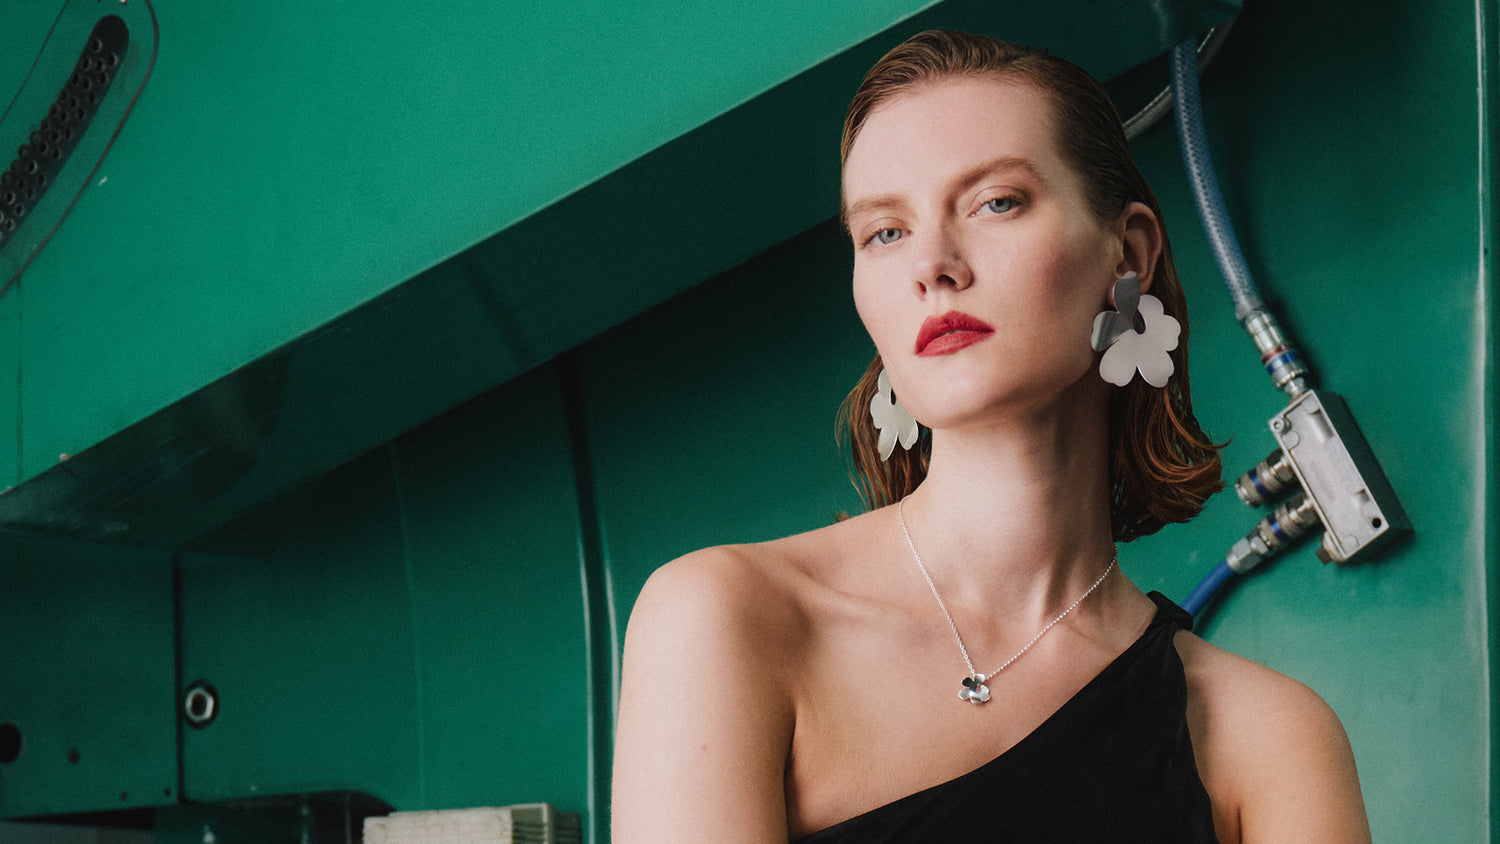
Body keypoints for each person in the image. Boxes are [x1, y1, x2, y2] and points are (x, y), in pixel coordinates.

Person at [611, 29, 1369, 843]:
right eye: (885, 232)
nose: (931, 265)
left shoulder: (1271, 738)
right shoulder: (725, 619)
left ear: (1128, 256)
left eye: (995, 202)